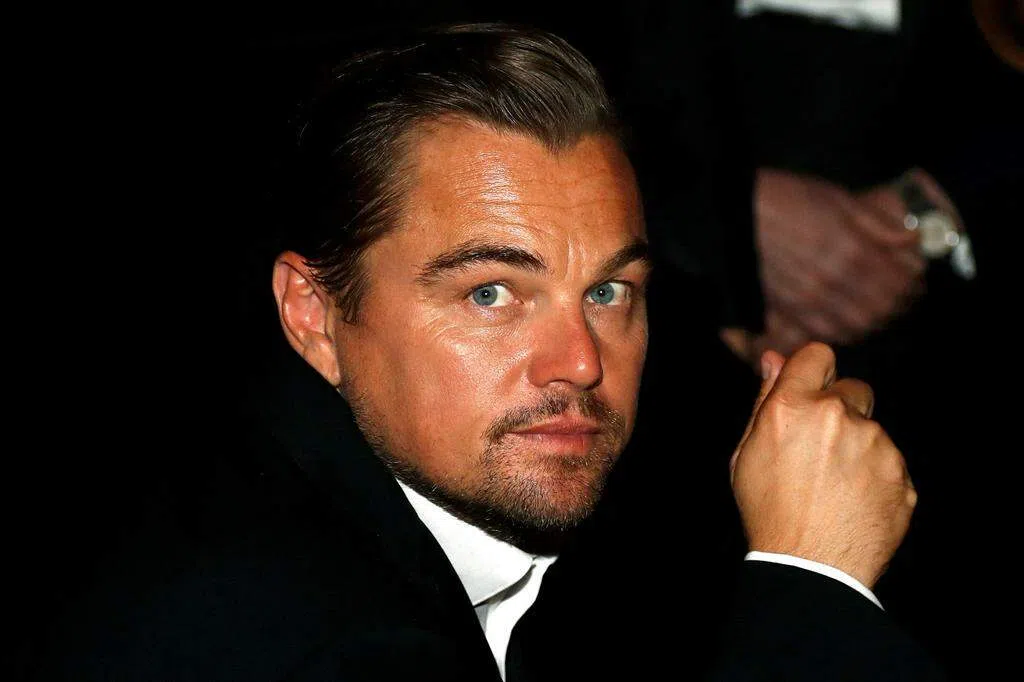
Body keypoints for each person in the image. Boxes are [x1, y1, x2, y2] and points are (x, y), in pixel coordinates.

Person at [28, 23, 944, 681]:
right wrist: (812, 578)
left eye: (608, 292)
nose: (579, 362)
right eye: (491, 293)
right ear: (313, 313)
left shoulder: (544, 538)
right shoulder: (294, 630)